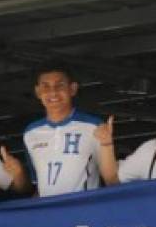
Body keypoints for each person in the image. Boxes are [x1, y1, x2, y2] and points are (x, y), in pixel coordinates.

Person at [24, 61, 114, 196]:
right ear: (37, 92)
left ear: (72, 89)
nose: (53, 92)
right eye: (46, 86)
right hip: (50, 213)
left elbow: (111, 179)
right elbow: (37, 184)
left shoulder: (94, 127)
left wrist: (107, 143)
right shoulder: (30, 133)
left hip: (83, 211)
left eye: (59, 85)